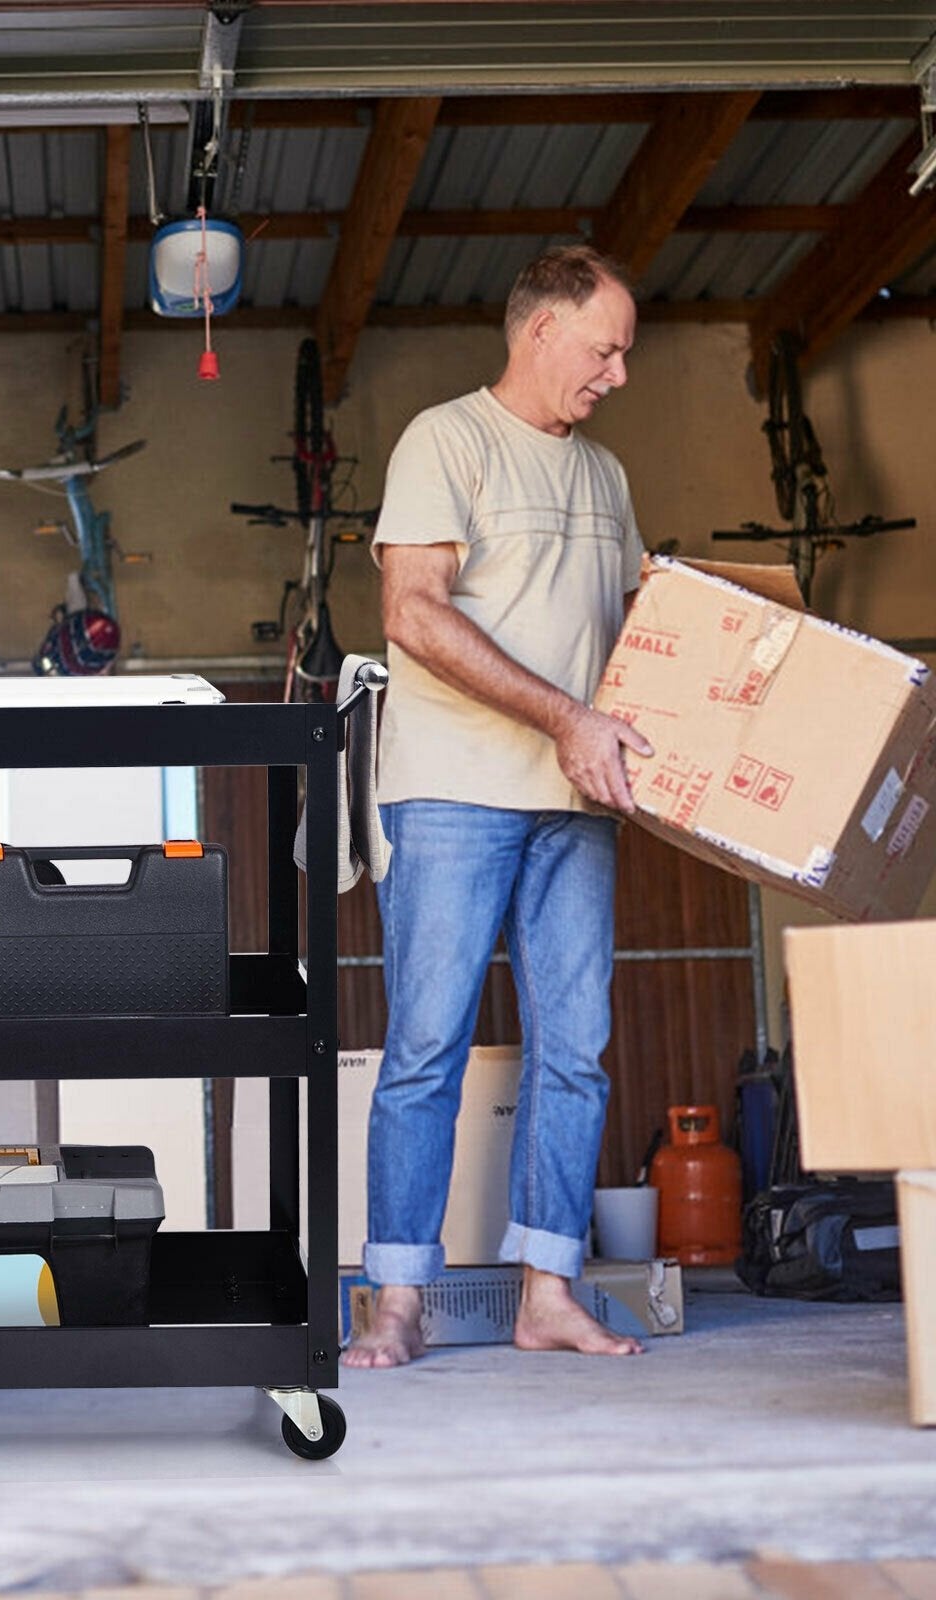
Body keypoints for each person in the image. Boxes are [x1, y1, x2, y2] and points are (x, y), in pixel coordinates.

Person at [342, 244, 655, 1370]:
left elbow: (632, 638)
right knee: (425, 1047)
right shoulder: (448, 439)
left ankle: (547, 1294)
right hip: (454, 791)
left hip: (577, 801)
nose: (617, 373)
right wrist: (565, 717)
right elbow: (413, 613)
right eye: (604, 348)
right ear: (540, 331)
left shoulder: (606, 477)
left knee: (575, 1051)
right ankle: (398, 1303)